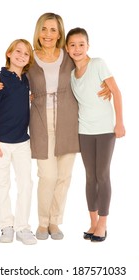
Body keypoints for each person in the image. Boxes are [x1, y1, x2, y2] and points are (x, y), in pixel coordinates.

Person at [0, 13, 111, 241]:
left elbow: (88, 64)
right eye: (44, 29)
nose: (48, 34)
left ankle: (55, 221)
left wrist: (107, 84)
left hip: (69, 119)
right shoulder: (30, 58)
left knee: (64, 175)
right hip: (40, 120)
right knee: (47, 175)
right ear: (38, 31)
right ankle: (42, 222)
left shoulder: (68, 55)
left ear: (60, 33)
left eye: (53, 30)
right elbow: (11, 71)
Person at [66, 27, 125, 242]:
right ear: (67, 48)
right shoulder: (72, 75)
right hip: (84, 131)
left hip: (105, 130)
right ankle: (92, 222)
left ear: (88, 46)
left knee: (102, 175)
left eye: (81, 44)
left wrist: (119, 122)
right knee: (90, 177)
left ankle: (103, 223)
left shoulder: (98, 63)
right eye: (72, 45)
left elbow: (116, 91)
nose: (77, 48)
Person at [0, 39, 37, 245]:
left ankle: (22, 227)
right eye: (18, 51)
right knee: (1, 185)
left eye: (26, 53)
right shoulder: (0, 80)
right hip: (0, 144)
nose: (22, 55)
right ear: (9, 53)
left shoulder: (26, 79)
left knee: (26, 185)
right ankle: (6, 226)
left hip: (22, 142)